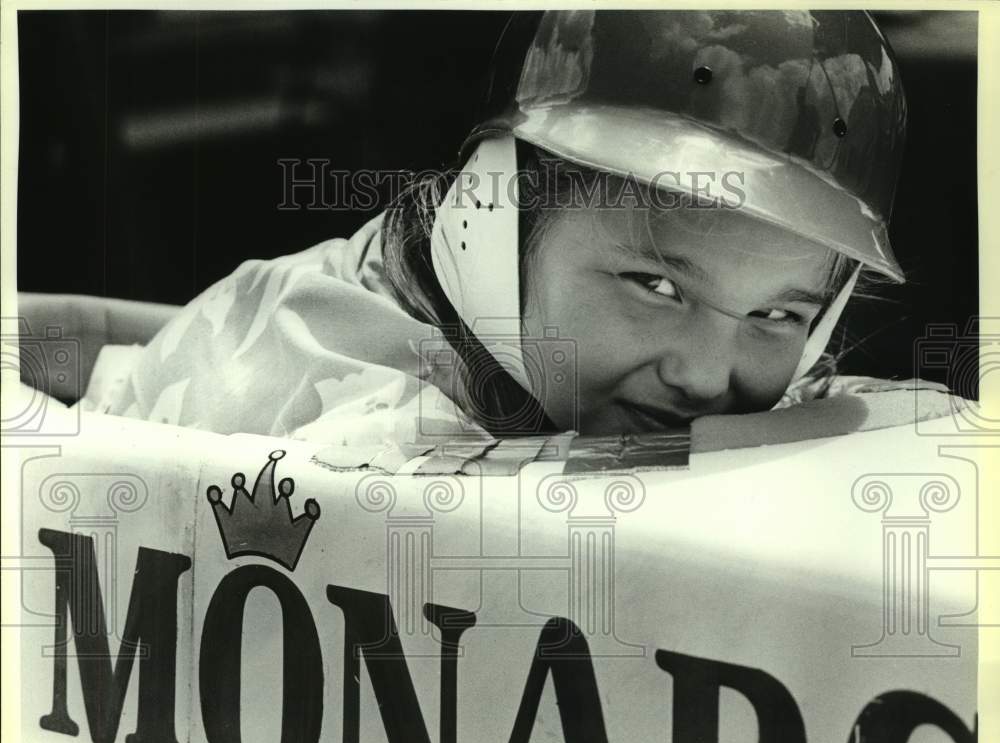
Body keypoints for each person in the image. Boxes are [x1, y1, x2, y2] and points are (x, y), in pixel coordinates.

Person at [72, 9, 951, 450]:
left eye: (778, 316)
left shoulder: (560, 356)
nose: (706, 377)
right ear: (497, 219)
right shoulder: (348, 409)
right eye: (657, 286)